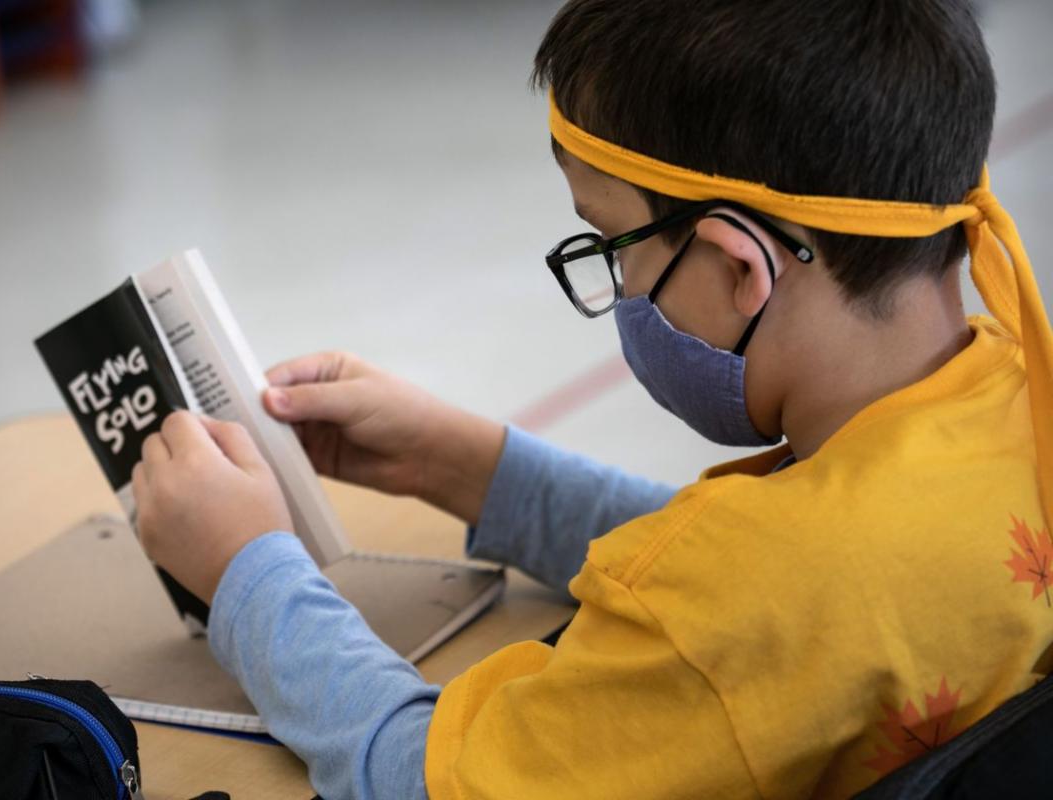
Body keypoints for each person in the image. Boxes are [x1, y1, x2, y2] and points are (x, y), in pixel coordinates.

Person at [130, 0, 1053, 797]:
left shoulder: (733, 602)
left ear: (740, 267)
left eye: (612, 245)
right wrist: (467, 464)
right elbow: (779, 571)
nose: (616, 284)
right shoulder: (1017, 392)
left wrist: (249, 572)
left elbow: (418, 781)